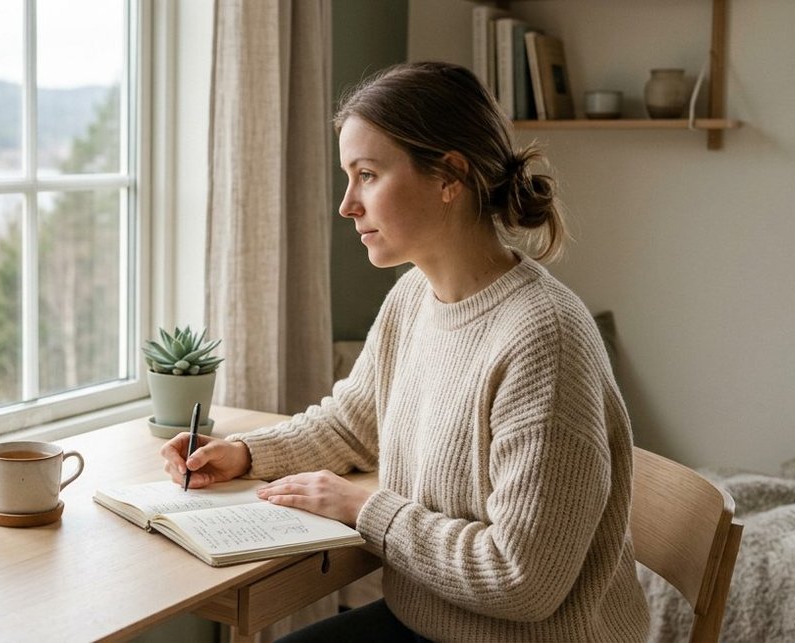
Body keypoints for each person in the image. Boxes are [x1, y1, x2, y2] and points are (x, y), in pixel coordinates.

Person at [161, 61, 649, 642]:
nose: (347, 204)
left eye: (367, 174)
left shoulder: (545, 339)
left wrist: (363, 510)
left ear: (449, 176)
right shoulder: (416, 294)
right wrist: (242, 453)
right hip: (427, 621)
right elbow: (352, 425)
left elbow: (523, 580)